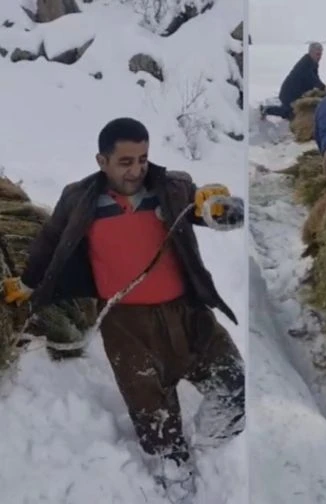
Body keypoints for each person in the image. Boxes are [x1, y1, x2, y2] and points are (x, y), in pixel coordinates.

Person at [1, 117, 246, 502]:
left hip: (189, 314)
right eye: (126, 161)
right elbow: (49, 242)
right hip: (126, 325)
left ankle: (218, 445)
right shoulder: (79, 198)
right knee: (152, 412)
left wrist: (221, 204)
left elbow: (215, 213)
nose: (137, 170)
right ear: (102, 161)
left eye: (144, 159)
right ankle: (174, 473)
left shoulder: (173, 188)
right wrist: (31, 283)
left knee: (233, 381)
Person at [260, 42, 325, 120]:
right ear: (310, 53)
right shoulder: (305, 64)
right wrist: (324, 89)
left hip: (297, 93)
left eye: (321, 54)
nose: (320, 57)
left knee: (299, 111)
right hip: (288, 93)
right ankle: (266, 110)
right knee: (290, 114)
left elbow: (316, 78)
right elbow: (313, 79)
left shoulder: (313, 63)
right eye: (317, 54)